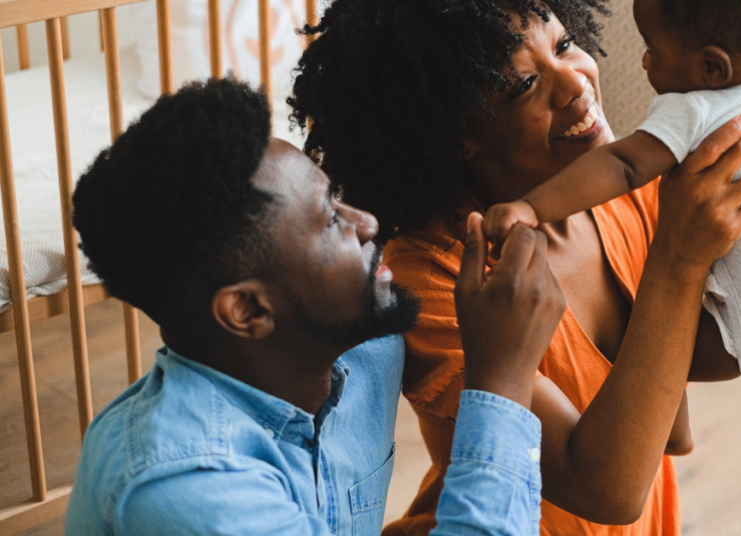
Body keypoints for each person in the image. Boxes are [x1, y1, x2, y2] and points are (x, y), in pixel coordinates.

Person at [289, 1, 741, 534]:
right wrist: (679, 261)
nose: (575, 83)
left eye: (564, 46)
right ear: (456, 132)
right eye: (525, 85)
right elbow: (607, 491)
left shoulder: (630, 188)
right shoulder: (436, 279)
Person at [64, 77, 567, 536]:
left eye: (339, 197)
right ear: (247, 311)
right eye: (331, 221)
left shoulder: (362, 352)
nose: (368, 223)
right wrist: (501, 377)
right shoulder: (186, 486)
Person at [482, 0, 741, 380]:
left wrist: (530, 208)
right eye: (526, 83)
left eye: (652, 50)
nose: (645, 62)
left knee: (652, 357)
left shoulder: (696, 110)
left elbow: (623, 165)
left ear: (712, 67)